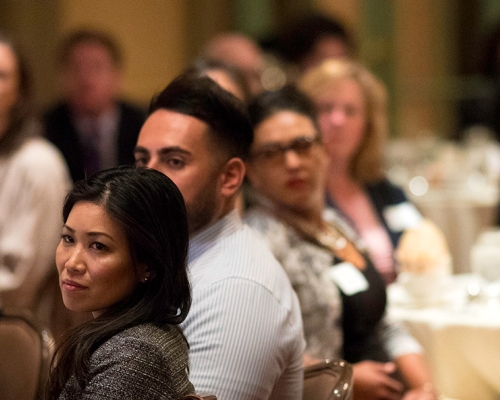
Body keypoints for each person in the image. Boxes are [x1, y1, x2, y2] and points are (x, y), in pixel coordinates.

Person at [244, 86, 437, 400]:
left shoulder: (336, 223)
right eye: (272, 152)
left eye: (302, 145)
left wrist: (423, 388)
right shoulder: (259, 241)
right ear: (251, 170)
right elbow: (260, 352)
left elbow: (384, 323)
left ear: (323, 150)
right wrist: (344, 376)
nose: (292, 162)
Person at [134, 73, 304, 400]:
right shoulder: (168, 258)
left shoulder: (238, 289)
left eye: (174, 161)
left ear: (229, 177)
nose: (147, 178)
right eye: (143, 160)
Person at [45, 166, 195, 399]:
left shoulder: (134, 355)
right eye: (68, 239)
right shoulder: (139, 336)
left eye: (98, 246)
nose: (72, 263)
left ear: (149, 264)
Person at [299, 59, 423, 284]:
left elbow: (422, 247)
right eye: (325, 108)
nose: (338, 120)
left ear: (368, 125)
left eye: (351, 111)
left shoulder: (384, 189)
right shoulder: (301, 197)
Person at [0, 33, 71, 317]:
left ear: (19, 91)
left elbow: (21, 282)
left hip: (19, 335)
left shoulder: (38, 163)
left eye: (1, 75)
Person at [44, 29, 145, 182]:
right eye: (77, 68)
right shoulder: (45, 129)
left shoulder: (142, 124)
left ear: (116, 75)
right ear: (62, 76)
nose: (86, 79)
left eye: (96, 68)